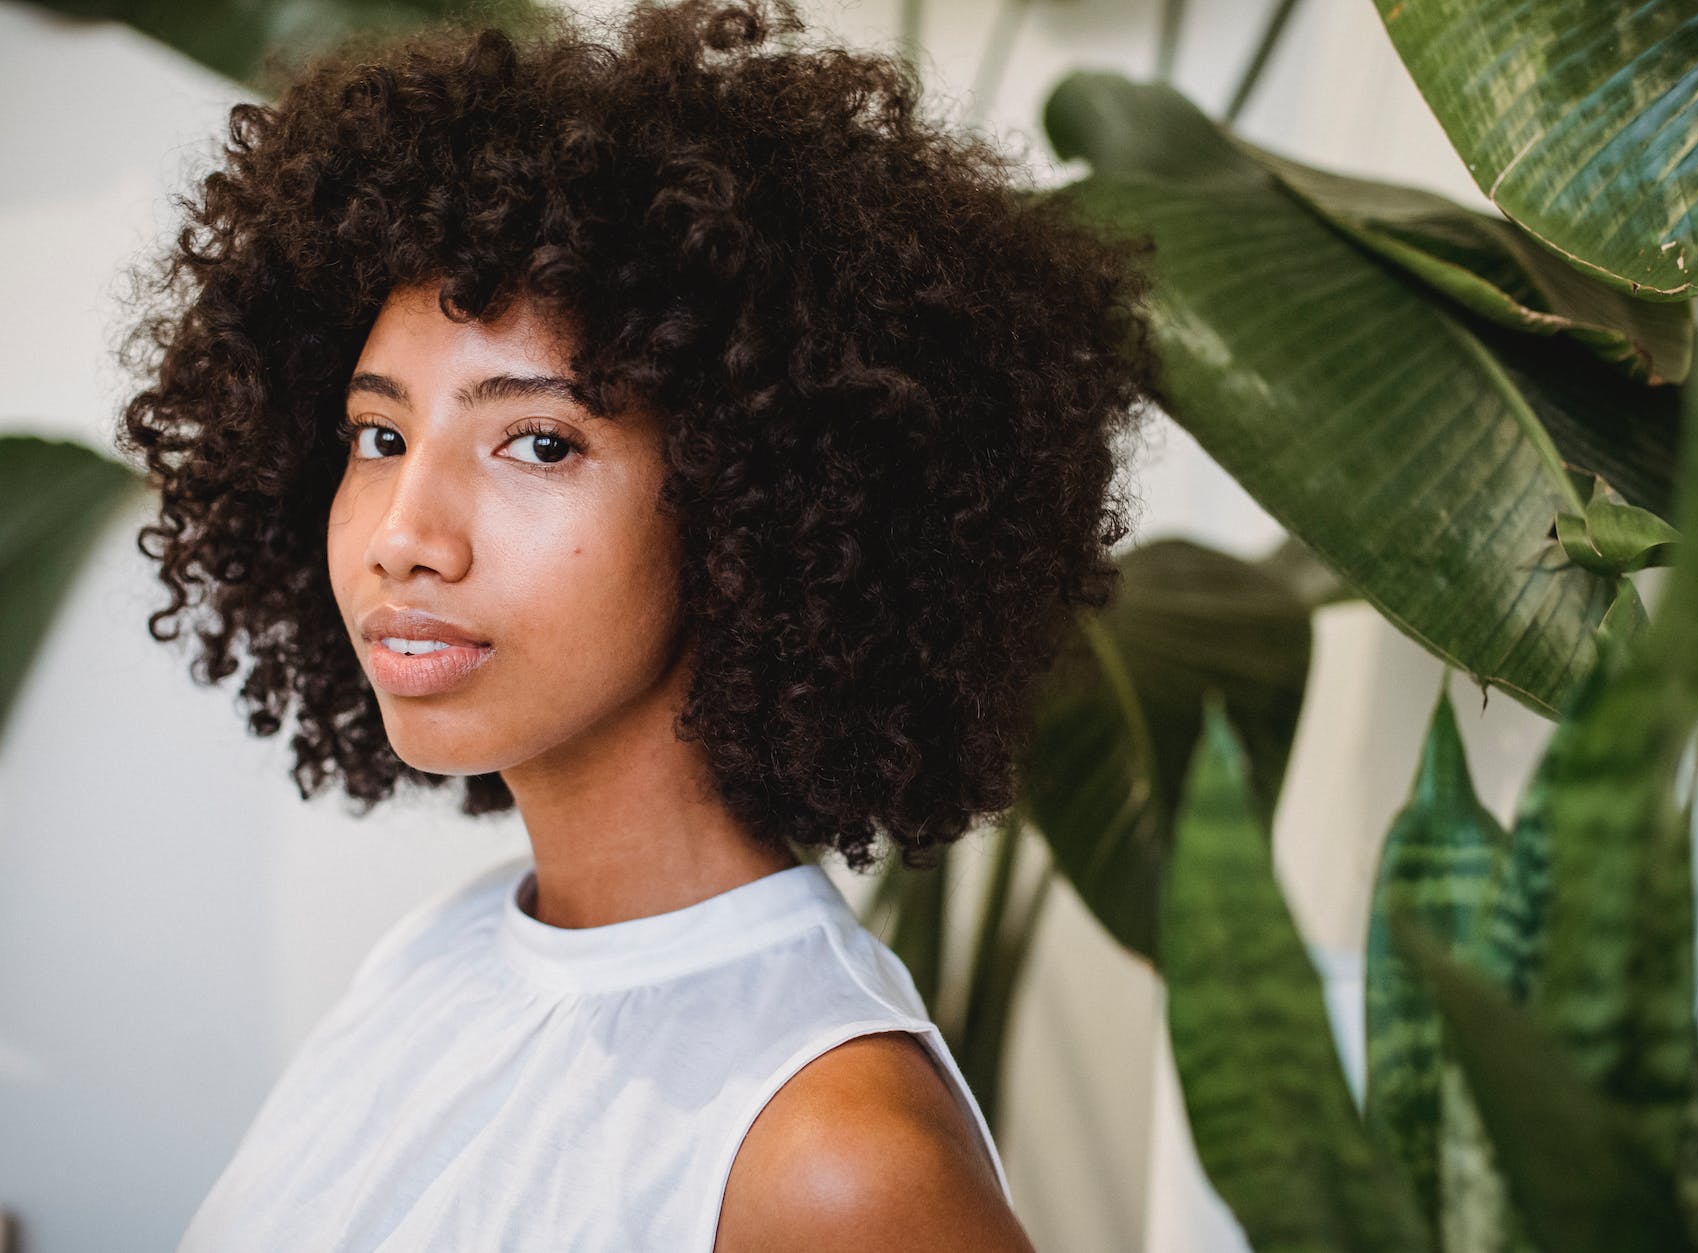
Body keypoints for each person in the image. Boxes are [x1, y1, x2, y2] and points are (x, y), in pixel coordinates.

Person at [113, 0, 1155, 1248]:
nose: (404, 528)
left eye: (538, 441)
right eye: (379, 435)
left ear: (755, 495)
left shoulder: (831, 1158)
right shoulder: (438, 960)